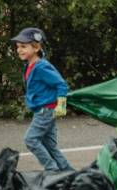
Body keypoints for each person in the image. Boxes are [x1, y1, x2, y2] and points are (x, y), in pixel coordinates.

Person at [11, 27, 73, 172]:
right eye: (18, 47)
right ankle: (68, 172)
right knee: (50, 146)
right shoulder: (30, 65)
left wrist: (61, 105)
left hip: (46, 110)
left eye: (23, 46)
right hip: (44, 109)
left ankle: (52, 171)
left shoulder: (41, 67)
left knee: (31, 140)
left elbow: (61, 84)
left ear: (36, 47)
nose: (19, 50)